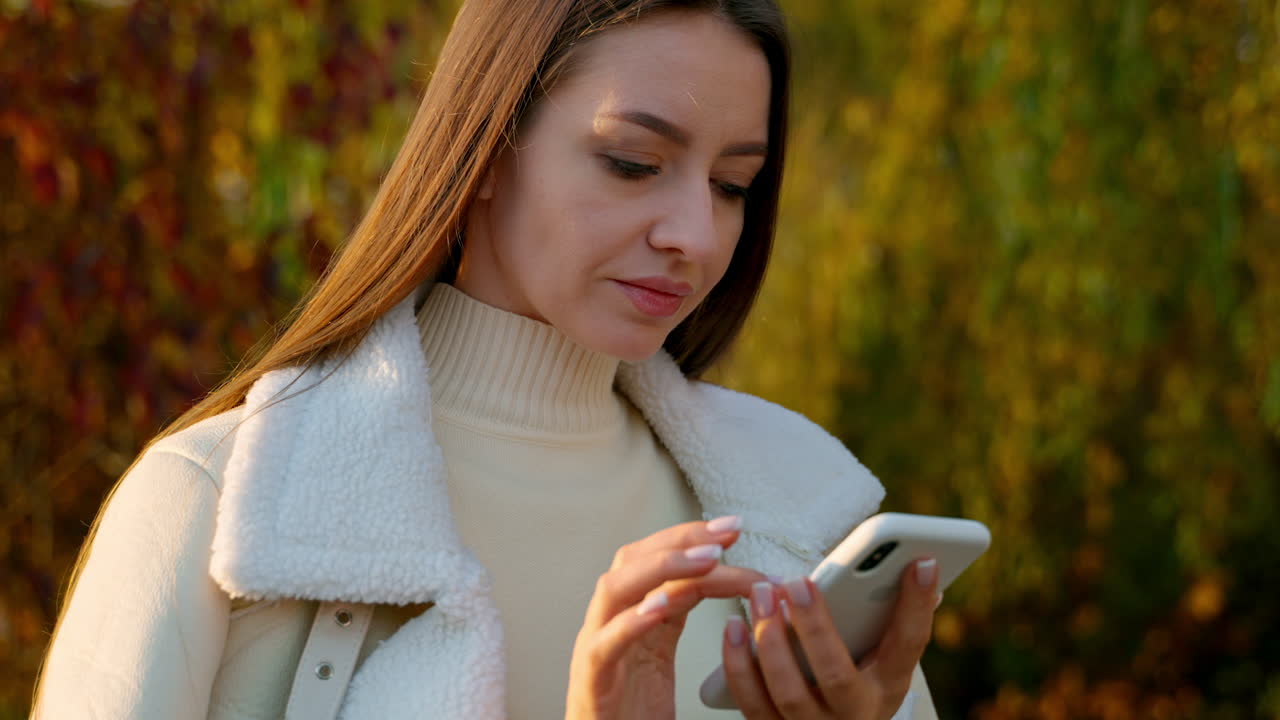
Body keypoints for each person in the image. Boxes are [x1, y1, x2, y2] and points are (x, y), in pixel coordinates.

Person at [32, 0, 944, 718]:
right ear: (486, 146)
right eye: (633, 162)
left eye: (733, 184)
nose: (697, 236)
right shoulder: (216, 508)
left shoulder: (802, 524)